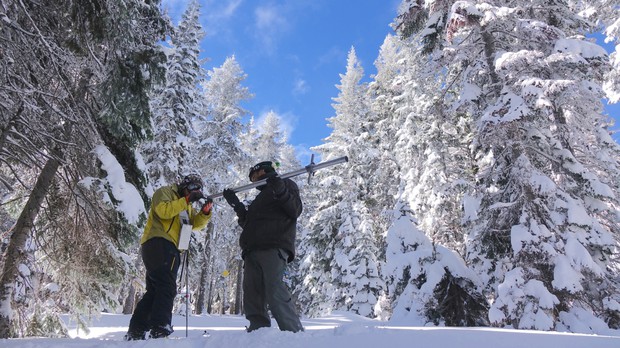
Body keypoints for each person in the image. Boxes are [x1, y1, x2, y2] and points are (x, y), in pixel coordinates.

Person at [125, 174, 213, 340]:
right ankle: (160, 328)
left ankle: (136, 330)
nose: (194, 192)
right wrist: (186, 201)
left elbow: (195, 224)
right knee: (166, 287)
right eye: (192, 188)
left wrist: (205, 213)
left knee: (155, 290)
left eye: (197, 190)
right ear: (184, 186)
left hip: (170, 247)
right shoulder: (165, 192)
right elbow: (163, 211)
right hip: (159, 242)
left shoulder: (184, 205)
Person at [223, 161, 304, 333]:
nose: (253, 181)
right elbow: (249, 224)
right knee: (252, 294)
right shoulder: (259, 199)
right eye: (252, 179)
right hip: (252, 250)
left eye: (255, 176)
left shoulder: (286, 184)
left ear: (265, 171)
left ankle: (294, 333)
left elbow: (295, 210)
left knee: (274, 290)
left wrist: (280, 188)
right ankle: (258, 332)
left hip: (274, 246)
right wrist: (237, 205)